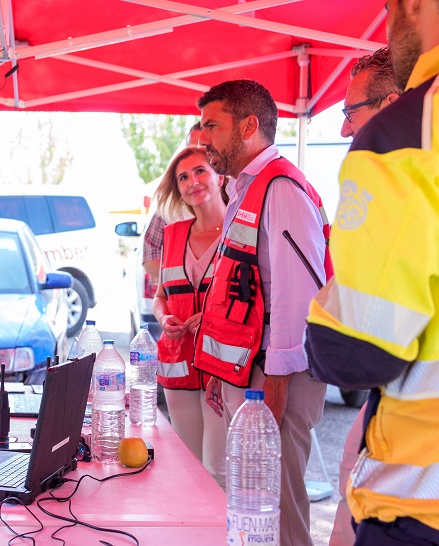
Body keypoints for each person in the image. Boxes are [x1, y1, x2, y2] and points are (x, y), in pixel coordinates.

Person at [305, 1, 439, 543]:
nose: (343, 124)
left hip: (419, 498)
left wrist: (323, 316)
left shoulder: (407, 133)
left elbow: (353, 351)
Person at [195, 79, 331, 546]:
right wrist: (220, 369)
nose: (201, 137)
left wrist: (274, 390)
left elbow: (299, 302)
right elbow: (237, 289)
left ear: (249, 126)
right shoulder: (244, 190)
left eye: (212, 125)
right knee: (253, 510)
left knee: (280, 512)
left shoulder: (283, 190)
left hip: (278, 381)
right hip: (250, 376)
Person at [328, 47, 402, 546]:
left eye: (349, 111)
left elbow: (347, 351)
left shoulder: (402, 196)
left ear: (391, 105)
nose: (343, 130)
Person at [151, 146, 227, 489]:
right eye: (183, 177)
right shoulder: (173, 234)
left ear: (219, 176)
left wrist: (210, 317)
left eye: (200, 171)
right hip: (176, 363)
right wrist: (164, 318)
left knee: (218, 468)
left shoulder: (238, 229)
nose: (192, 182)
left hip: (221, 366)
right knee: (187, 469)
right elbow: (160, 298)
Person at [142, 122, 203, 279]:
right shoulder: (170, 206)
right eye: (190, 149)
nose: (195, 155)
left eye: (202, 148)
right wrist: (187, 280)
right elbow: (150, 258)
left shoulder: (237, 198)